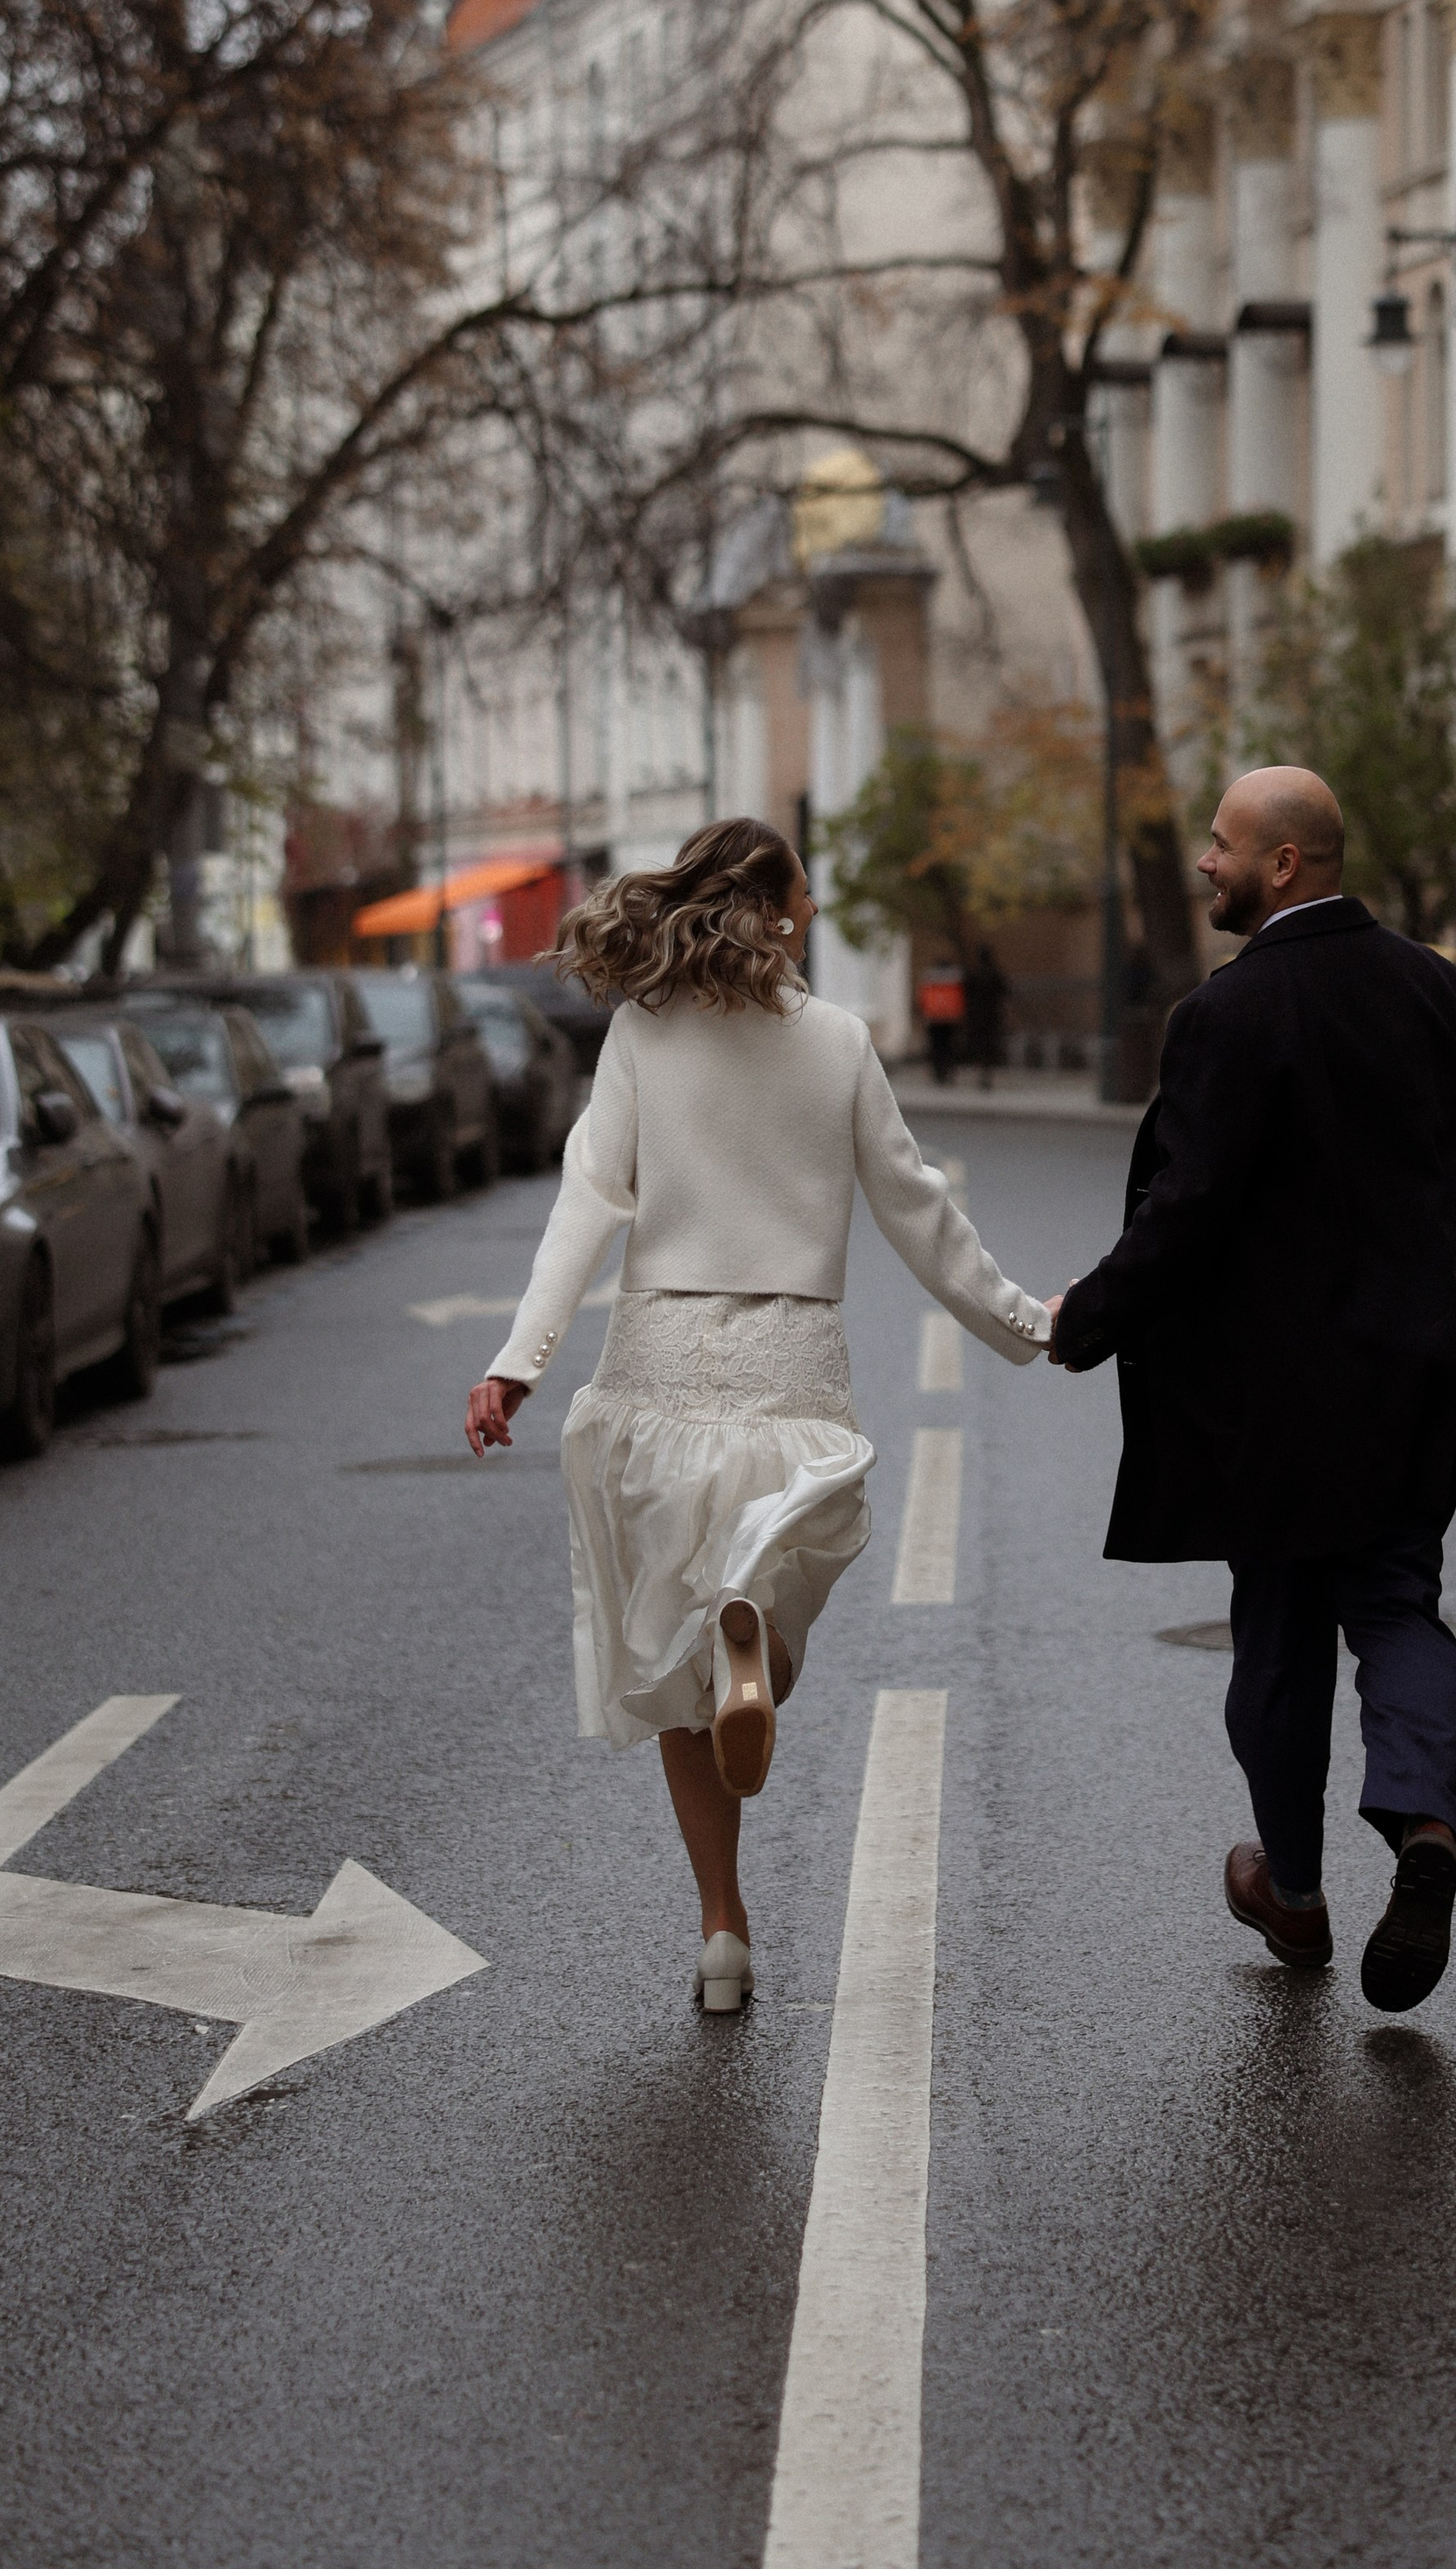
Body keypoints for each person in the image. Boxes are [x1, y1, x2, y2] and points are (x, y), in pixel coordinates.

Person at [464, 818, 1050, 2016]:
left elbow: (590, 1199)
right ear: (776, 913)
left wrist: (519, 1360)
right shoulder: (836, 1042)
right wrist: (1026, 1325)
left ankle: (721, 1931)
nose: (818, 912)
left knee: (675, 1672)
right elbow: (917, 1209)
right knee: (769, 1593)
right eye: (808, 895)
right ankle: (759, 1653)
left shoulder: (642, 1031)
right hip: (790, 1360)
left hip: (660, 1357)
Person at [1046, 768, 1456, 2015]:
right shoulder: (1433, 984)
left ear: (1284, 864)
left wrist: (1087, 1319)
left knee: (1277, 1641)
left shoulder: (1227, 1013)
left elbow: (1192, 1209)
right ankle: (1425, 1825)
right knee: (1398, 1609)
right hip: (1417, 1371)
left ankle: (1296, 1890)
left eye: (1222, 847)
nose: (1206, 865)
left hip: (1271, 1400)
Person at [962, 938, 1009, 1090]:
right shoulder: (994, 973)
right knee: (989, 1046)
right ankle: (986, 1074)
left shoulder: (974, 973)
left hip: (977, 1016)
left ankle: (982, 1073)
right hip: (991, 1016)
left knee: (980, 1045)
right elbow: (1006, 991)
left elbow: (965, 992)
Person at [917, 955, 966, 1087]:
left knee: (936, 1047)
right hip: (950, 1018)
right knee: (949, 1048)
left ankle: (938, 1073)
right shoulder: (956, 978)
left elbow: (923, 1000)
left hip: (934, 1018)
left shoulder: (929, 978)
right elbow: (960, 999)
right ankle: (948, 1071)